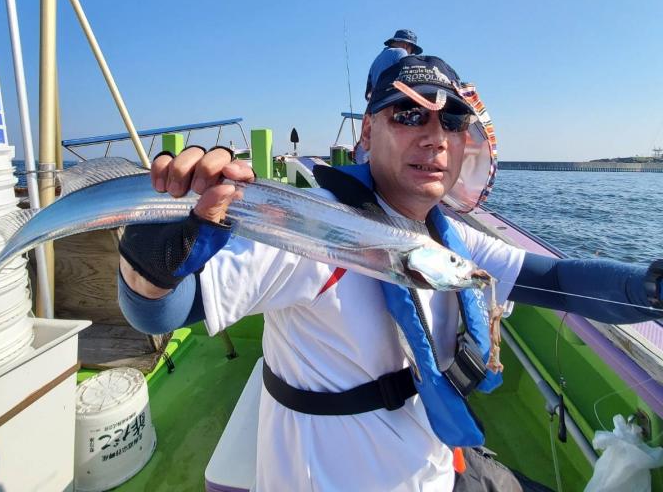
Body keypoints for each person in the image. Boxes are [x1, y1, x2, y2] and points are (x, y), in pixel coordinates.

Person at [117, 54, 663, 492]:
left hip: (437, 464)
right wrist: (151, 257)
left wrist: (652, 287)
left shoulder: (449, 238)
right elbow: (157, 311)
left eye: (453, 120)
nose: (435, 137)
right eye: (408, 114)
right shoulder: (315, 230)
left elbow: (558, 281)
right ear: (369, 130)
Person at [365, 28, 422, 100]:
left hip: (377, 100)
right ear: (406, 45)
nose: (410, 54)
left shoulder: (378, 57)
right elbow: (407, 76)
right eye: (412, 50)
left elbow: (369, 90)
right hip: (391, 98)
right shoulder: (401, 51)